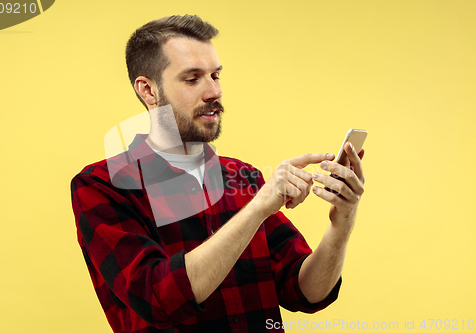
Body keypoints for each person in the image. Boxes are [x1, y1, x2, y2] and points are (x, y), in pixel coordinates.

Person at [71, 15, 365, 333]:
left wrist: (342, 222)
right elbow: (158, 299)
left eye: (215, 75)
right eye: (192, 78)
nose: (213, 91)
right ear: (148, 90)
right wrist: (257, 208)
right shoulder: (103, 186)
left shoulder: (244, 178)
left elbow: (306, 291)